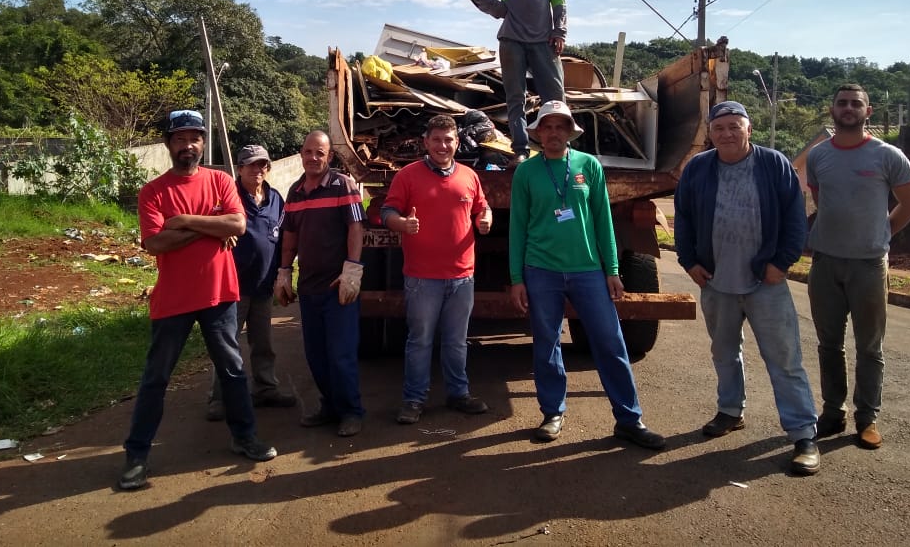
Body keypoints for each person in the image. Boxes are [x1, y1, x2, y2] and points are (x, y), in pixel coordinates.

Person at [119, 110, 276, 491]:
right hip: (173, 299)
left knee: (233, 370)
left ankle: (245, 437)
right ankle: (137, 456)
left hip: (219, 294)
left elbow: (237, 224)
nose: (188, 145)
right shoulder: (153, 191)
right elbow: (156, 243)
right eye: (180, 138)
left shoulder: (220, 180)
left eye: (195, 138)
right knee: (156, 378)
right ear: (168, 144)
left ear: (203, 143)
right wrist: (210, 225)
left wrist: (185, 221)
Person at [509, 100, 665, 450]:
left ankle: (629, 419)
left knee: (610, 342)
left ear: (569, 132)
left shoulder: (588, 165)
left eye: (560, 126)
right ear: (538, 133)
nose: (553, 133)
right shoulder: (526, 172)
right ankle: (552, 413)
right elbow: (517, 228)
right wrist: (516, 278)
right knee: (546, 343)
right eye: (547, 127)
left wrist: (612, 269)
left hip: (588, 270)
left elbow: (603, 220)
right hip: (541, 269)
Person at [674, 101, 820, 476]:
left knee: (785, 360)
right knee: (724, 353)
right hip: (716, 282)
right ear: (711, 134)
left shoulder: (774, 164)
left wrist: (782, 263)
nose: (727, 133)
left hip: (765, 282)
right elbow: (683, 217)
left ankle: (803, 435)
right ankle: (730, 411)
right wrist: (688, 261)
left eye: (734, 126)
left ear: (749, 130)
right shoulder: (698, 168)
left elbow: (795, 217)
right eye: (719, 128)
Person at [806, 84, 910, 450]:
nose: (848, 108)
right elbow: (821, 200)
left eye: (856, 103)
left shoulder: (888, 156)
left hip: (869, 265)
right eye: (842, 103)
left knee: (870, 347)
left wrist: (881, 233)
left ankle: (867, 418)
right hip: (825, 262)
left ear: (867, 112)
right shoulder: (818, 156)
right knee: (829, 344)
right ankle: (832, 412)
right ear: (832, 110)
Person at [380, 114, 494, 424]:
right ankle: (414, 400)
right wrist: (402, 223)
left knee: (456, 341)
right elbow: (387, 211)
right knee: (420, 341)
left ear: (457, 143)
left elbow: (482, 206)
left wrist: (485, 219)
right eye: (436, 140)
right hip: (422, 277)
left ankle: (459, 394)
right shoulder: (407, 176)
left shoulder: (469, 176)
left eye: (448, 140)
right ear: (426, 142)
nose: (442, 146)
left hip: (462, 276)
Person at [275, 131, 367, 437]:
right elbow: (289, 234)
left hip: (338, 286)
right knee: (316, 356)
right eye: (308, 152)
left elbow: (356, 227)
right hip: (309, 287)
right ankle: (330, 406)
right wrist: (284, 271)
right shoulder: (295, 191)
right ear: (301, 154)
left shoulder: (343, 185)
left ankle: (351, 411)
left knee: (341, 355)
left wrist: (352, 269)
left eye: (320, 153)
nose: (313, 158)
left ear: (330, 156)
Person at [466, 0, 567, 167]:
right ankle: (520, 150)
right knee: (515, 98)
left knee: (555, 97)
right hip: (512, 40)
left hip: (544, 38)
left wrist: (559, 30)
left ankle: (559, 149)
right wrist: (497, 9)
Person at [205, 144, 296, 422]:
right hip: (233, 286)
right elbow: (210, 225)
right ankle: (220, 398)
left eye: (263, 164)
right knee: (227, 345)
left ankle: (266, 388)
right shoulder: (228, 196)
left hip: (263, 284)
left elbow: (283, 236)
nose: (258, 169)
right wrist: (221, 231)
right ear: (240, 168)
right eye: (252, 164)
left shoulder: (275, 197)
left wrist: (284, 274)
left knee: (263, 343)